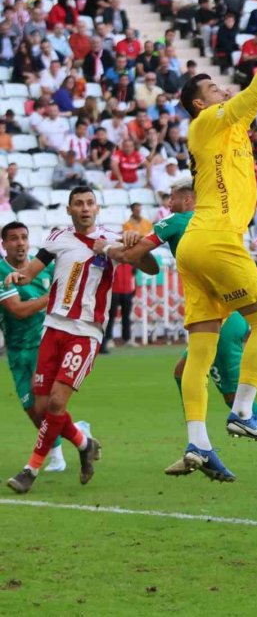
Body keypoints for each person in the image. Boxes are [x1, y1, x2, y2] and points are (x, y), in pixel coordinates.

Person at [172, 12, 257, 480]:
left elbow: (244, 104)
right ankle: (244, 411)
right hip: (215, 237)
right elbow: (255, 94)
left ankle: (197, 442)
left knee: (200, 352)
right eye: (212, 89)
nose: (222, 92)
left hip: (195, 244)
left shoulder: (226, 131)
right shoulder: (208, 123)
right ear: (197, 103)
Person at [102, 178, 257, 483]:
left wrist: (107, 245)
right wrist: (134, 243)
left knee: (232, 398)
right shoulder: (214, 223)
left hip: (220, 320)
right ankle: (203, 447)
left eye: (172, 198)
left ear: (188, 200)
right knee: (182, 371)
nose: (167, 204)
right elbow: (151, 267)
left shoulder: (176, 219)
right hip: (231, 313)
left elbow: (131, 259)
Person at [5, 187, 158, 493]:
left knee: (58, 402)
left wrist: (136, 246)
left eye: (90, 203)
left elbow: (151, 268)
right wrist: (15, 277)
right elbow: (32, 271)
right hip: (52, 328)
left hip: (85, 332)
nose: (85, 208)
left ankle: (30, 470)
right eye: (79, 203)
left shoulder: (111, 239)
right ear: (69, 209)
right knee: (43, 405)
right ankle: (84, 443)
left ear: (97, 208)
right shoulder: (58, 237)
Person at [0, 222, 67, 474]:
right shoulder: (1, 272)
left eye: (24, 237)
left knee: (44, 404)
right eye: (13, 238)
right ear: (4, 244)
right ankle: (78, 431)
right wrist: (50, 297)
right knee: (31, 409)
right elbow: (17, 311)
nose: (20, 243)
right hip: (17, 350)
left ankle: (57, 455)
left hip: (44, 344)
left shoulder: (45, 268)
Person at [101, 261, 136, 352]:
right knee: (110, 316)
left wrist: (133, 288)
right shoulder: (113, 257)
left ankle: (127, 339)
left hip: (127, 290)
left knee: (126, 317)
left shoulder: (131, 260)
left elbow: (134, 274)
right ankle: (108, 339)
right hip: (113, 290)